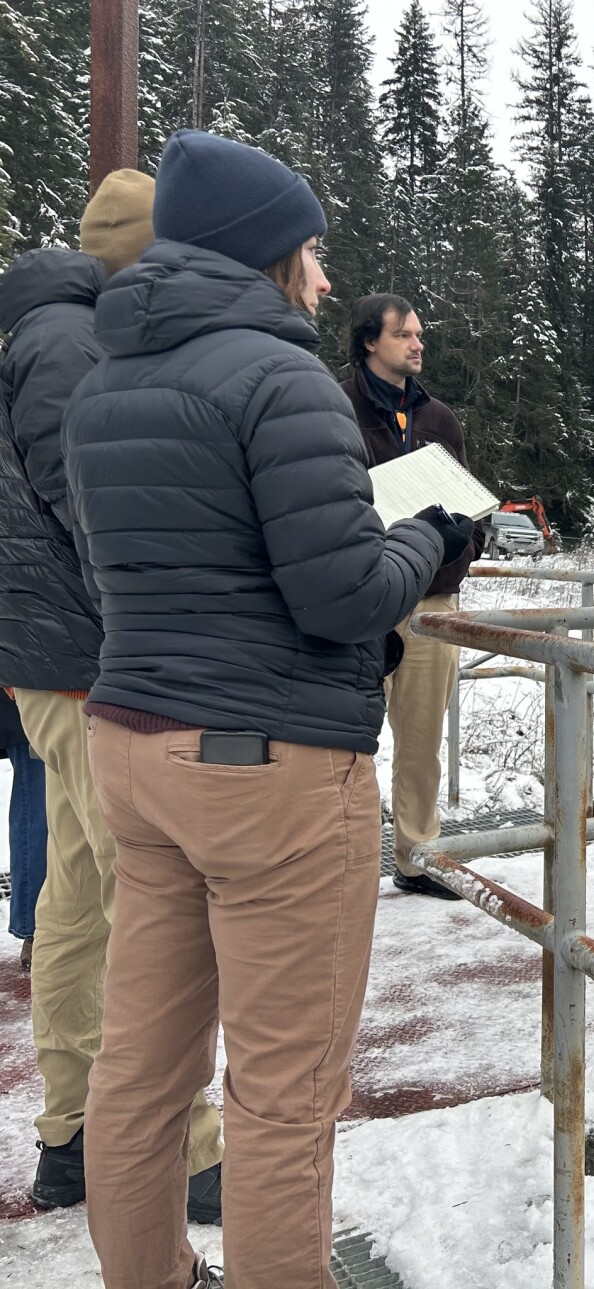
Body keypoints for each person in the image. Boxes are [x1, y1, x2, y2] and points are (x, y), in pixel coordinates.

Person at [62, 131, 471, 1289]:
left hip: (135, 746)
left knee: (140, 1069)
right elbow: (340, 592)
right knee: (284, 1094)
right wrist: (426, 530)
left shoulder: (104, 379)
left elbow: (128, 569)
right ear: (265, 253)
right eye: (312, 251)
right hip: (270, 769)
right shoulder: (278, 373)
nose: (326, 279)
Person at [0, 170, 225, 1216]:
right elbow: (88, 503)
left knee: (83, 894)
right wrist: (157, 619)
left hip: (60, 657)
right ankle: (183, 1149)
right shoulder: (66, 342)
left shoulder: (49, 330)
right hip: (93, 657)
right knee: (153, 900)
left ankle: (72, 1131)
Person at [340, 294, 485, 900]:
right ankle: (343, 857)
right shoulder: (333, 406)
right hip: (357, 599)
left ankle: (417, 857)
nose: (418, 344)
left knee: (422, 741)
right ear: (370, 341)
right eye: (404, 335)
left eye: (420, 334)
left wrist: (463, 545)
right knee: (346, 740)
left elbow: (471, 505)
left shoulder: (441, 421)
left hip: (430, 605)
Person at [1, 690, 47, 970]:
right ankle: (33, 927)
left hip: (31, 694)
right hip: (32, 697)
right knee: (36, 811)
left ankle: (34, 926)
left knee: (36, 809)